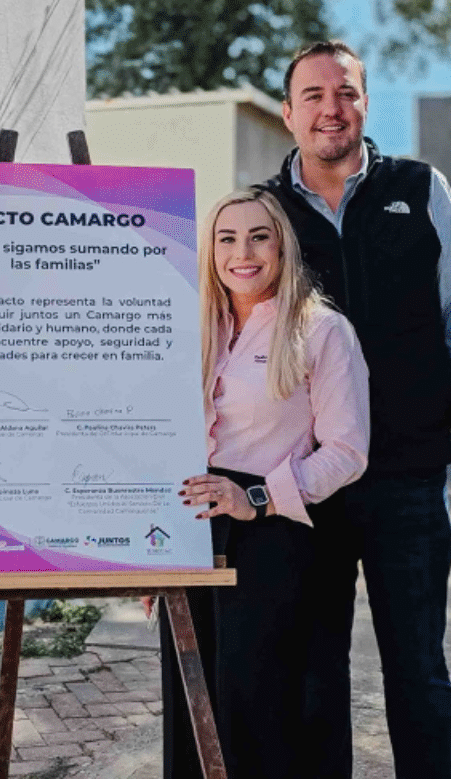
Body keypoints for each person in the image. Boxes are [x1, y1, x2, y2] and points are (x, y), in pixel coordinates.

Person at [261, 40, 451, 779]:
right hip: (306, 483)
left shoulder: (422, 189)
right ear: (288, 112)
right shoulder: (263, 213)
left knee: (419, 671)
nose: (330, 109)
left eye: (345, 93)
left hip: (407, 475)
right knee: (313, 675)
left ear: (366, 104)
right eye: (313, 95)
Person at [157, 187, 371, 779]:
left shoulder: (322, 331)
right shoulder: (197, 329)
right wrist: (154, 548)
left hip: (278, 534)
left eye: (258, 236)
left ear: (283, 246)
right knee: (192, 692)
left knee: (261, 701)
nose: (241, 252)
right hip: (197, 530)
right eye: (226, 238)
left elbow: (349, 453)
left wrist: (255, 498)